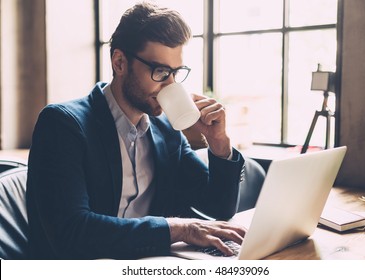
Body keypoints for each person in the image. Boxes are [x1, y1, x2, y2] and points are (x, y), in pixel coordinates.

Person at [26, 1, 246, 260]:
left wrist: (218, 143)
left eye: (176, 72)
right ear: (120, 62)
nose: (170, 86)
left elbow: (219, 206)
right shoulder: (63, 125)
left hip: (150, 263)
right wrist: (177, 228)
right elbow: (73, 233)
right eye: (161, 72)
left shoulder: (166, 130)